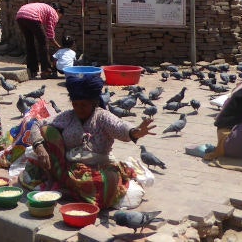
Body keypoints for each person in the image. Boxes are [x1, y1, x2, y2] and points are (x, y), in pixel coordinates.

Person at [22, 72, 156, 209]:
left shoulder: (102, 117)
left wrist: (134, 132)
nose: (79, 109)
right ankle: (69, 185)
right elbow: (36, 125)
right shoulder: (68, 116)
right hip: (69, 167)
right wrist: (39, 147)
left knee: (104, 181)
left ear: (94, 103)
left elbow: (120, 127)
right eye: (75, 104)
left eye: (84, 105)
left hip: (97, 168)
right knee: (48, 131)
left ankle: (71, 188)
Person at [15, 1, 63, 79]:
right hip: (31, 16)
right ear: (58, 11)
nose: (58, 19)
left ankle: (32, 69)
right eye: (60, 16)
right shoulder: (53, 12)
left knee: (29, 42)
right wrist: (59, 46)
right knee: (43, 42)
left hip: (20, 15)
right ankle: (46, 70)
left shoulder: (45, 8)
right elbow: (50, 35)